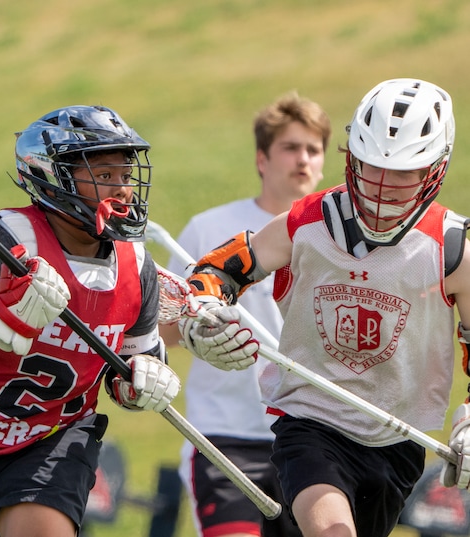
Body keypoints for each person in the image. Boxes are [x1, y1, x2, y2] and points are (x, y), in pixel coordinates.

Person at [181, 78, 470, 537]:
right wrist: (204, 317)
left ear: (434, 169)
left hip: (396, 440)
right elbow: (220, 269)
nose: (381, 185)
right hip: (310, 423)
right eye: (372, 166)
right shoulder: (308, 223)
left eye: (401, 172)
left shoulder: (451, 249)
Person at [0, 105, 182, 537]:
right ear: (53, 175)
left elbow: (134, 363)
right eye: (105, 175)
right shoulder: (10, 240)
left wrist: (141, 382)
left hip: (53, 436)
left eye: (125, 175)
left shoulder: (135, 263)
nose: (123, 189)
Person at [164, 92, 331, 537]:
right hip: (224, 435)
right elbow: (158, 325)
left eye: (313, 150)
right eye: (290, 147)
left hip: (312, 433)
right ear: (262, 158)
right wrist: (192, 327)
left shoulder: (338, 241)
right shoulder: (209, 228)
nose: (303, 159)